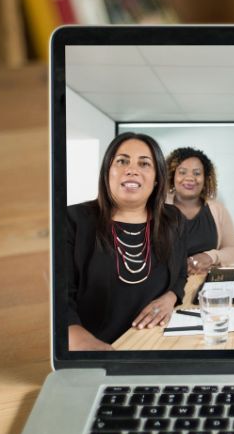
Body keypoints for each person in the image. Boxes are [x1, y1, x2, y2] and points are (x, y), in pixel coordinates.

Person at [65, 133, 187, 350]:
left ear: (157, 177)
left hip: (157, 345)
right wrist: (84, 343)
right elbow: (58, 298)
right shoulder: (73, 221)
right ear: (107, 172)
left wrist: (171, 297)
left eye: (144, 163)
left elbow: (181, 272)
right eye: (122, 161)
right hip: (98, 354)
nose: (132, 169)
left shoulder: (172, 219)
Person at [165, 146, 234, 275]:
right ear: (172, 176)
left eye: (197, 173)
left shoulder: (218, 210)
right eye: (182, 172)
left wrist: (210, 256)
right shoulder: (157, 208)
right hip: (166, 286)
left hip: (207, 284)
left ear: (205, 178)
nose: (190, 178)